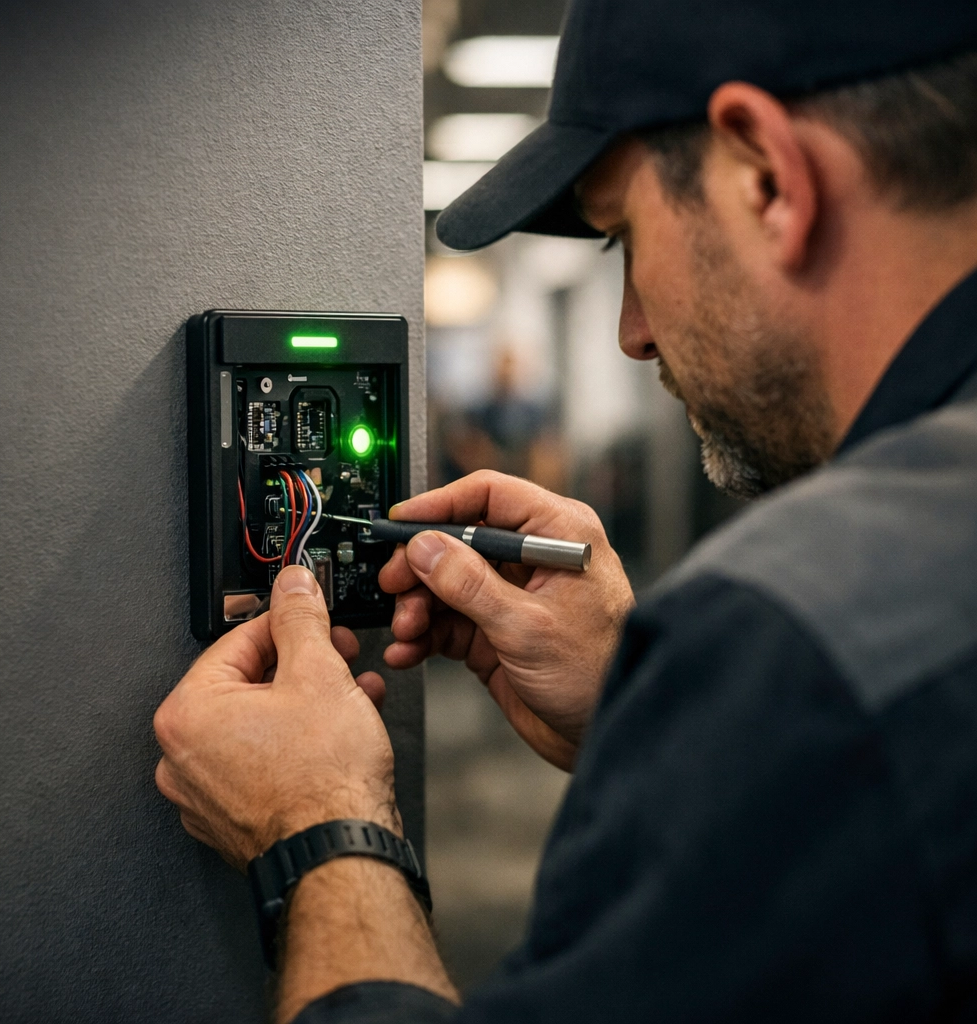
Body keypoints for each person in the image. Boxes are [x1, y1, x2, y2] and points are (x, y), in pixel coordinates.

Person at [152, 1, 977, 1020]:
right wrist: (660, 710)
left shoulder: (806, 631)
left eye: (622, 234)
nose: (632, 330)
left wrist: (322, 822)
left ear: (766, 175)